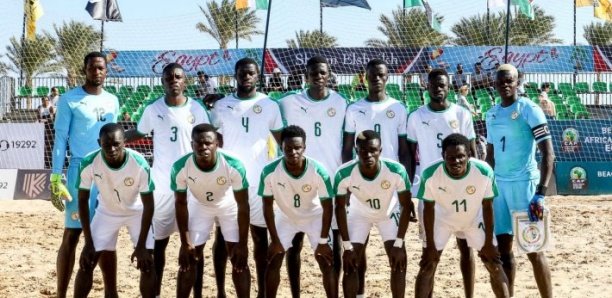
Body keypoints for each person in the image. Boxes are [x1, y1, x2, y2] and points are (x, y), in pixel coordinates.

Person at [125, 62, 211, 297]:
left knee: (194, 248)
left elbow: (210, 138)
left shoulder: (197, 108)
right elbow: (139, 133)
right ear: (163, 82)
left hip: (193, 189)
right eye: (169, 77)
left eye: (178, 76)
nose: (174, 80)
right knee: (158, 246)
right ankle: (157, 292)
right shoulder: (153, 109)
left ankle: (197, 294)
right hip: (162, 187)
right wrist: (116, 138)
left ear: (185, 81)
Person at [210, 57, 284, 298]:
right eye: (242, 73)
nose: (247, 76)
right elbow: (215, 142)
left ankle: (263, 292)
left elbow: (282, 141)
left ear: (257, 76)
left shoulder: (270, 105)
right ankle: (221, 291)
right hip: (229, 182)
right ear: (235, 75)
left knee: (260, 239)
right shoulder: (221, 106)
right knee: (223, 239)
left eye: (251, 73)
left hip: (258, 182)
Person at [50, 51, 120, 298]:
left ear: (106, 71)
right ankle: (60, 294)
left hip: (108, 173)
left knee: (107, 234)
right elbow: (60, 140)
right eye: (92, 68)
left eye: (101, 68)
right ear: (85, 70)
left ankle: (111, 293)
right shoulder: (70, 99)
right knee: (72, 234)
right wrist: (55, 177)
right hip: (80, 172)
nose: (97, 72)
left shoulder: (113, 100)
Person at [406, 68, 479, 298]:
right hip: (431, 195)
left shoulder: (461, 114)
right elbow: (409, 156)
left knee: (466, 250)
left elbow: (474, 154)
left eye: (443, 85)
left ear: (449, 88)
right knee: (430, 256)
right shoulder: (416, 116)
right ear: (427, 87)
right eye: (434, 85)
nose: (438, 88)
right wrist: (409, 192)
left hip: (461, 193)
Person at [278, 55, 347, 296]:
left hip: (331, 180)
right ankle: (296, 293)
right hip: (298, 181)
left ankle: (334, 292)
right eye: (313, 73)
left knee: (334, 243)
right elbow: (262, 108)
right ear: (305, 77)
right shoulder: (287, 103)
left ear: (329, 75)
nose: (318, 77)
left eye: (322, 73)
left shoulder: (341, 102)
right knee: (294, 244)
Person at [342, 58, 410, 297]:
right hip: (361, 186)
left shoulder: (399, 108)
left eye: (381, 75)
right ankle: (359, 293)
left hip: (390, 188)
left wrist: (406, 192)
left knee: (397, 254)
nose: (377, 79)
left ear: (387, 77)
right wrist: (349, 186)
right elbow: (347, 148)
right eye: (372, 75)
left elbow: (404, 151)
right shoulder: (354, 108)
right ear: (365, 77)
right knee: (356, 252)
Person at [485, 64, 554, 298]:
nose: (505, 84)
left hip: (525, 188)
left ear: (517, 82)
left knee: (534, 251)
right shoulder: (491, 113)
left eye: (509, 81)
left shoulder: (529, 109)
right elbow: (490, 157)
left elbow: (549, 153)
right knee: (503, 252)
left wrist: (541, 193)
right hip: (499, 190)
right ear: (494, 84)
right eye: (500, 81)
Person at [414, 133, 510, 298]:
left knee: (493, 264)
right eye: (451, 157)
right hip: (442, 220)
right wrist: (429, 245)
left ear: (469, 155)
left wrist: (488, 242)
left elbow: (488, 206)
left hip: (474, 219)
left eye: (460, 157)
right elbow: (428, 209)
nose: (456, 161)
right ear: (443, 156)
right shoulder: (430, 174)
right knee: (428, 264)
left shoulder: (483, 171)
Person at [74, 123, 155, 298]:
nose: (111, 149)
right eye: (106, 144)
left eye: (116, 144)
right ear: (99, 142)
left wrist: (141, 246)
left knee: (147, 262)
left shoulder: (139, 163)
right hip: (106, 212)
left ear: (125, 142)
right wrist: (88, 242)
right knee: (86, 262)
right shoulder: (89, 162)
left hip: (136, 212)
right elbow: (82, 200)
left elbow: (149, 204)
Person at [172, 124, 251, 298]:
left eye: (208, 143)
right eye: (198, 143)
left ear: (217, 144)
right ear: (192, 144)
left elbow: (243, 205)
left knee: (238, 258)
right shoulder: (180, 166)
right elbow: (180, 203)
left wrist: (243, 244)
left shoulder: (234, 164)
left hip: (227, 205)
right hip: (200, 206)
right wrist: (185, 243)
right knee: (189, 257)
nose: (203, 147)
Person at [335, 130, 414, 298]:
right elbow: (340, 208)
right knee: (350, 262)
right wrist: (347, 246)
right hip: (359, 214)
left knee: (399, 261)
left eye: (373, 150)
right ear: (356, 151)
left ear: (381, 151)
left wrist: (399, 243)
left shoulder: (396, 171)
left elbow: (406, 206)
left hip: (387, 213)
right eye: (363, 150)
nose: (368, 155)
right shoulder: (343, 173)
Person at [260, 125, 337, 297]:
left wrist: (323, 241)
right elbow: (267, 206)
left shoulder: (318, 170)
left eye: (297, 148)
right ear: (281, 148)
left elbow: (327, 207)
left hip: (314, 217)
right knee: (273, 260)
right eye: (288, 148)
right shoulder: (269, 172)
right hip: (286, 217)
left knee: (326, 261)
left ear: (304, 148)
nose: (293, 152)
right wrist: (274, 239)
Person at [37, 96, 56, 169]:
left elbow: (51, 119)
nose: (46, 101)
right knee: (45, 146)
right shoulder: (40, 107)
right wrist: (46, 120)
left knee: (51, 146)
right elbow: (39, 119)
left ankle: (52, 163)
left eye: (47, 100)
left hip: (51, 128)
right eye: (44, 100)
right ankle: (46, 164)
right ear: (42, 101)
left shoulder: (51, 107)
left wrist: (45, 120)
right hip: (43, 128)